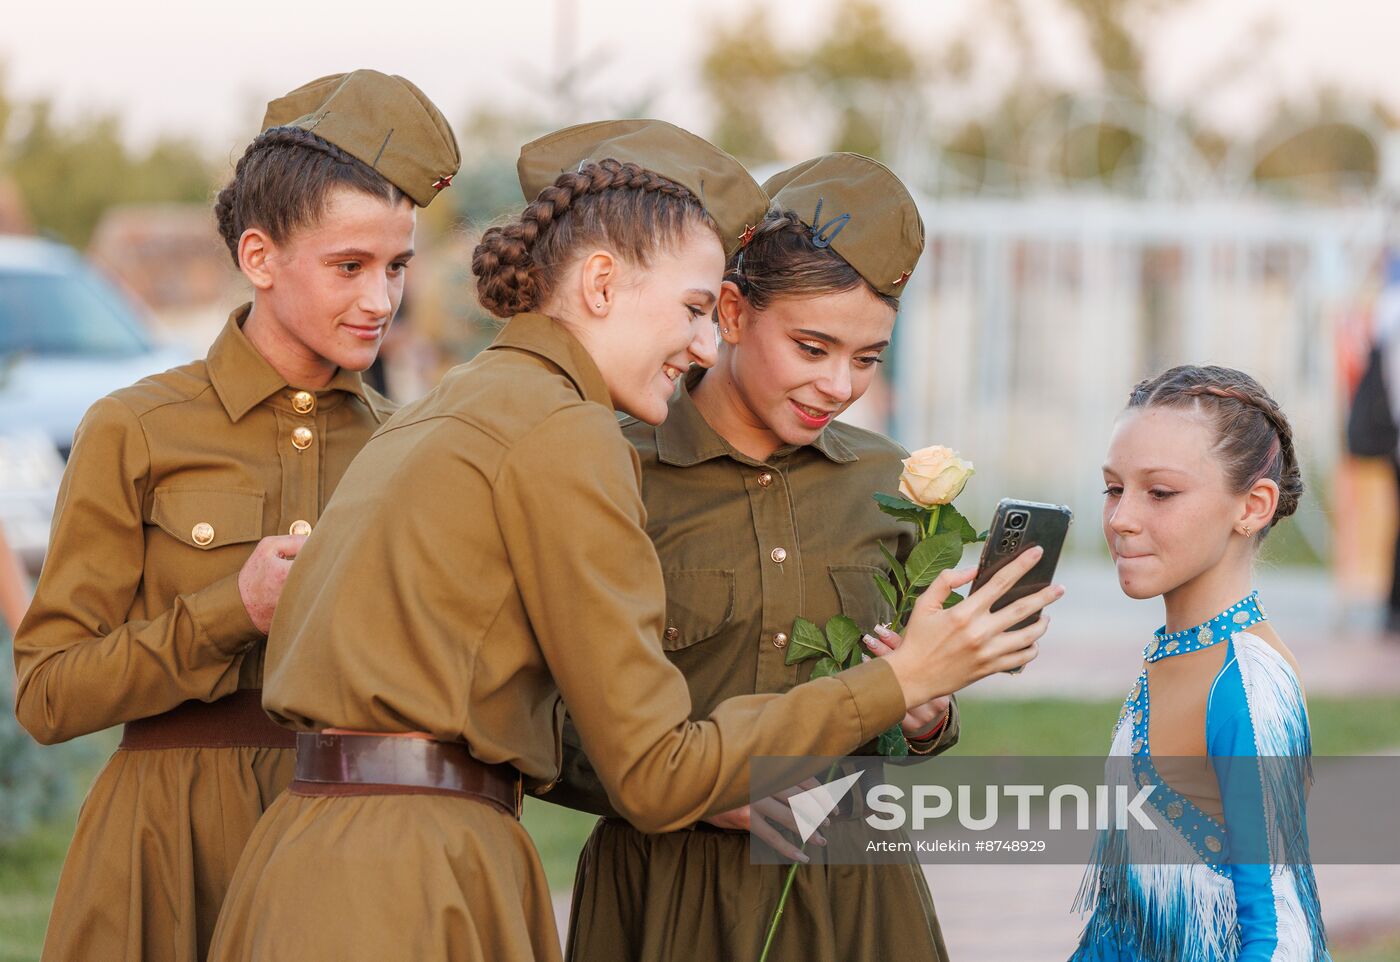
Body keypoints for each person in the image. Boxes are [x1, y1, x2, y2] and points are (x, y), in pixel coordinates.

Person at [206, 120, 1060, 962]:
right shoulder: (569, 433)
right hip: (418, 877)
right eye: (694, 309)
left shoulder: (460, 405)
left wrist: (912, 709)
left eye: (866, 357)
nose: (699, 346)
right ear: (603, 284)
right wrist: (900, 676)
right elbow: (652, 771)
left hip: (326, 857)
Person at [11, 70, 459, 962]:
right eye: (349, 267)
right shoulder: (133, 428)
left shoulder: (410, 449)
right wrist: (232, 612)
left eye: (396, 267)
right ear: (260, 258)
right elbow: (49, 695)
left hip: (351, 842)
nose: (380, 301)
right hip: (169, 850)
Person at [555, 152, 958, 962]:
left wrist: (925, 716)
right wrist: (694, 793)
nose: (839, 384)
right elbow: (537, 716)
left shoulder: (890, 487)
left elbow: (897, 704)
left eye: (867, 358)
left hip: (855, 893)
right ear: (731, 313)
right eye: (812, 347)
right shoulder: (613, 470)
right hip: (665, 892)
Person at [1071, 366, 1327, 961]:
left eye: (1159, 493)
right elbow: (1124, 914)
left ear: (1253, 506)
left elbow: (1279, 923)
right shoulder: (1178, 652)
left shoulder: (1247, 681)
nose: (1121, 519)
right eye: (1113, 488)